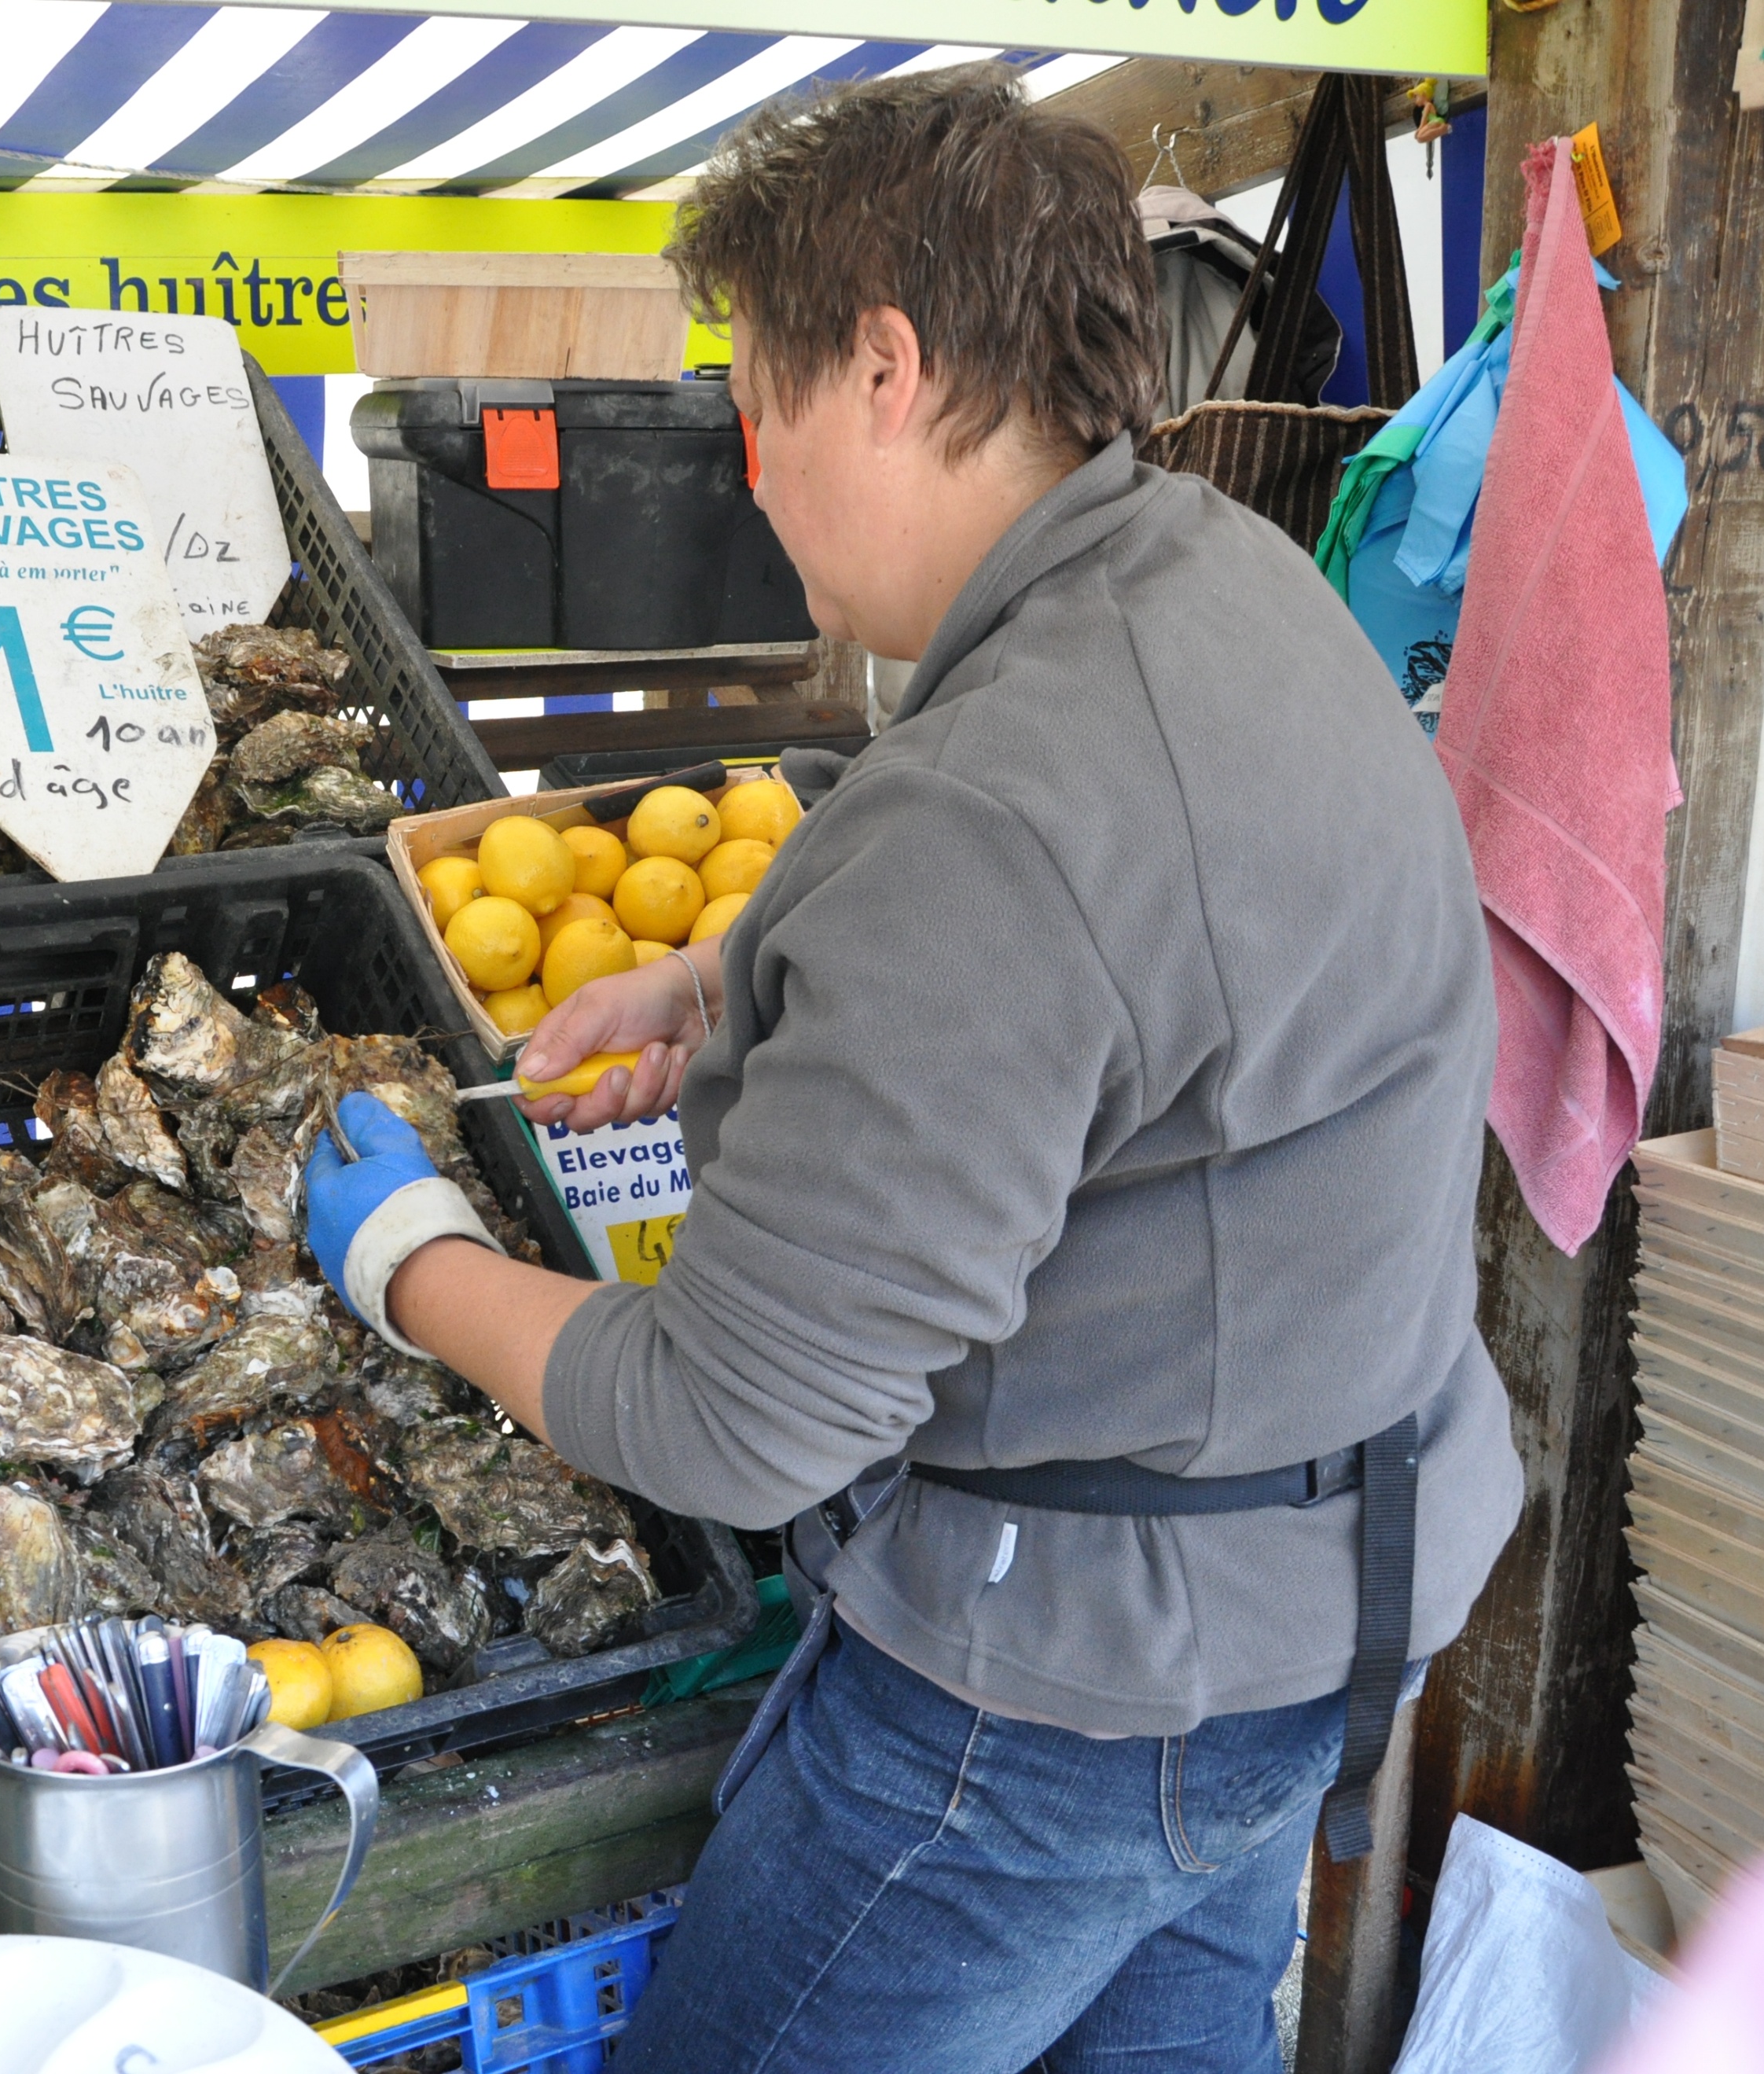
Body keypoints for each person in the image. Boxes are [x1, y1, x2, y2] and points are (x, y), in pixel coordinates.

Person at [301, 64, 1523, 2073]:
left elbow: (728, 1425)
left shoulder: (988, 812)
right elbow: (1151, 981)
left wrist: (409, 1255)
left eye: (752, 398)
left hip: (1050, 1711)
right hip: (1326, 1601)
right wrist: (733, 982)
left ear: (882, 364)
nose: (748, 468)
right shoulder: (1225, 584)